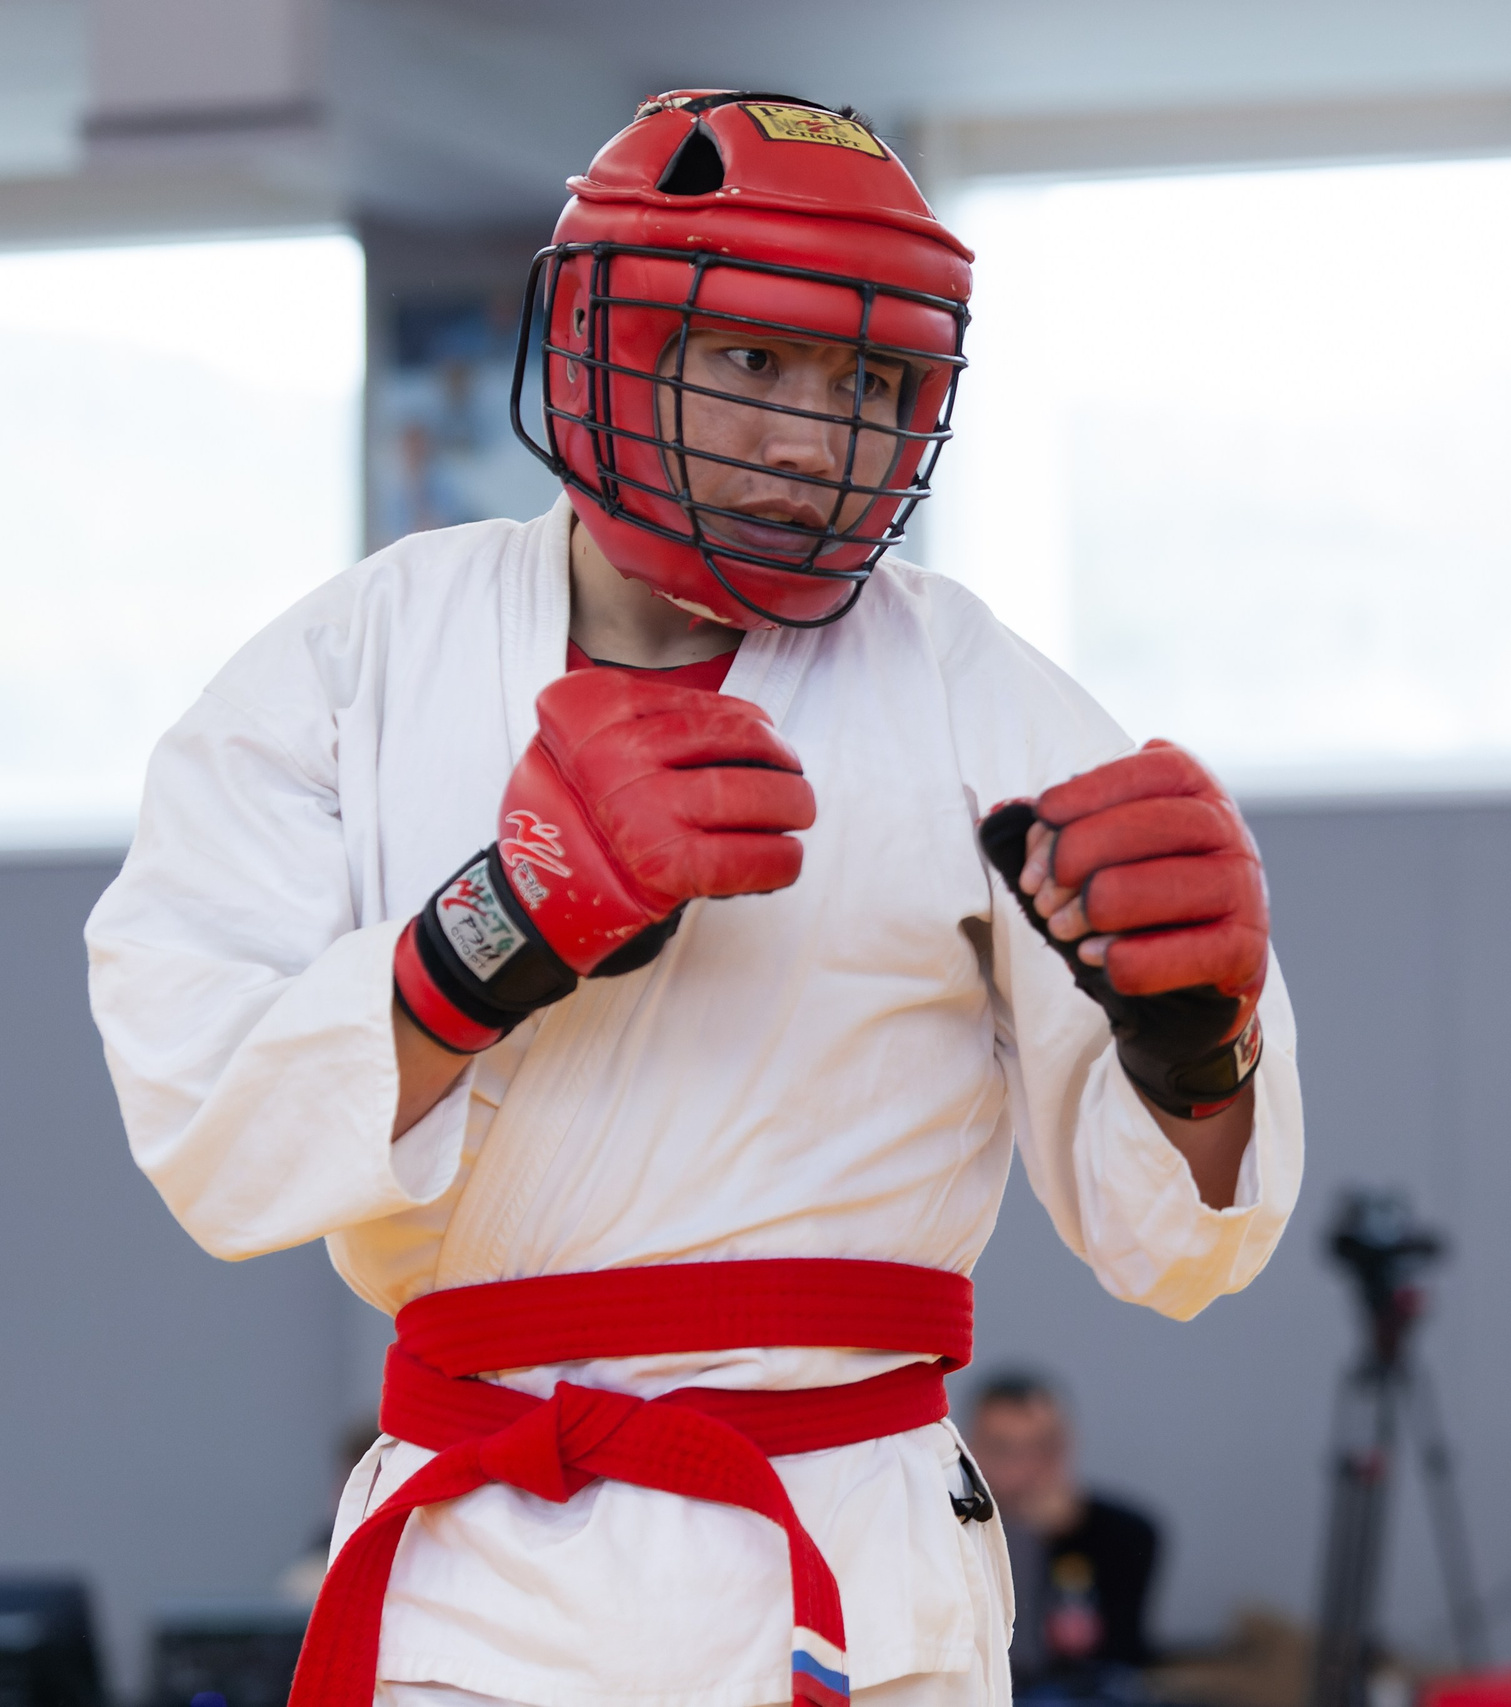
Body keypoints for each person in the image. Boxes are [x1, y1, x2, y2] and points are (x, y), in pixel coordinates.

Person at [85, 91, 1303, 1707]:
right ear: (598, 339)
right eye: (752, 362)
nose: (814, 436)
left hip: (847, 1550)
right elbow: (210, 1137)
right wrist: (490, 940)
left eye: (870, 379)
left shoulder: (975, 698)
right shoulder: (355, 663)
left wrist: (1190, 1044)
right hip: (482, 1570)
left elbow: (1186, 1245)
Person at [964, 1373, 1159, 1696]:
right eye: (1002, 1448)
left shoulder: (1122, 1532)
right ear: (971, 1447)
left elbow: (1122, 1655)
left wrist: (1071, 1533)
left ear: (1066, 1446)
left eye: (1041, 1447)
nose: (1023, 1466)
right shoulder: (943, 1530)